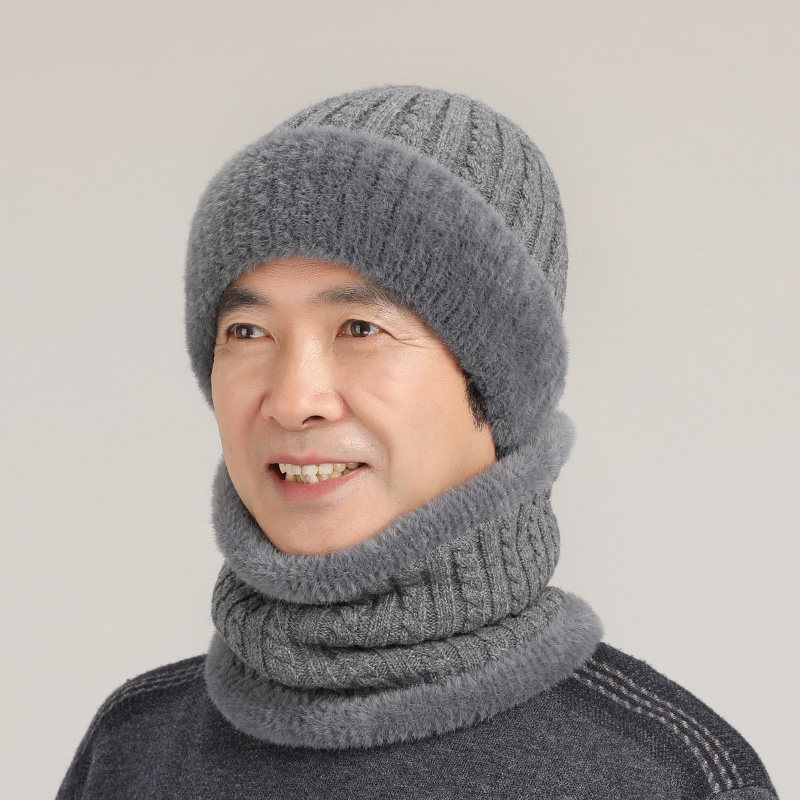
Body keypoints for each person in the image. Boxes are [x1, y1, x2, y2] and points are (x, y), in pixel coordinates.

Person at [54, 83, 779, 799]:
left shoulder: (667, 777)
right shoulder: (131, 750)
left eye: (360, 329)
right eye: (248, 331)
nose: (295, 400)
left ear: (497, 384)